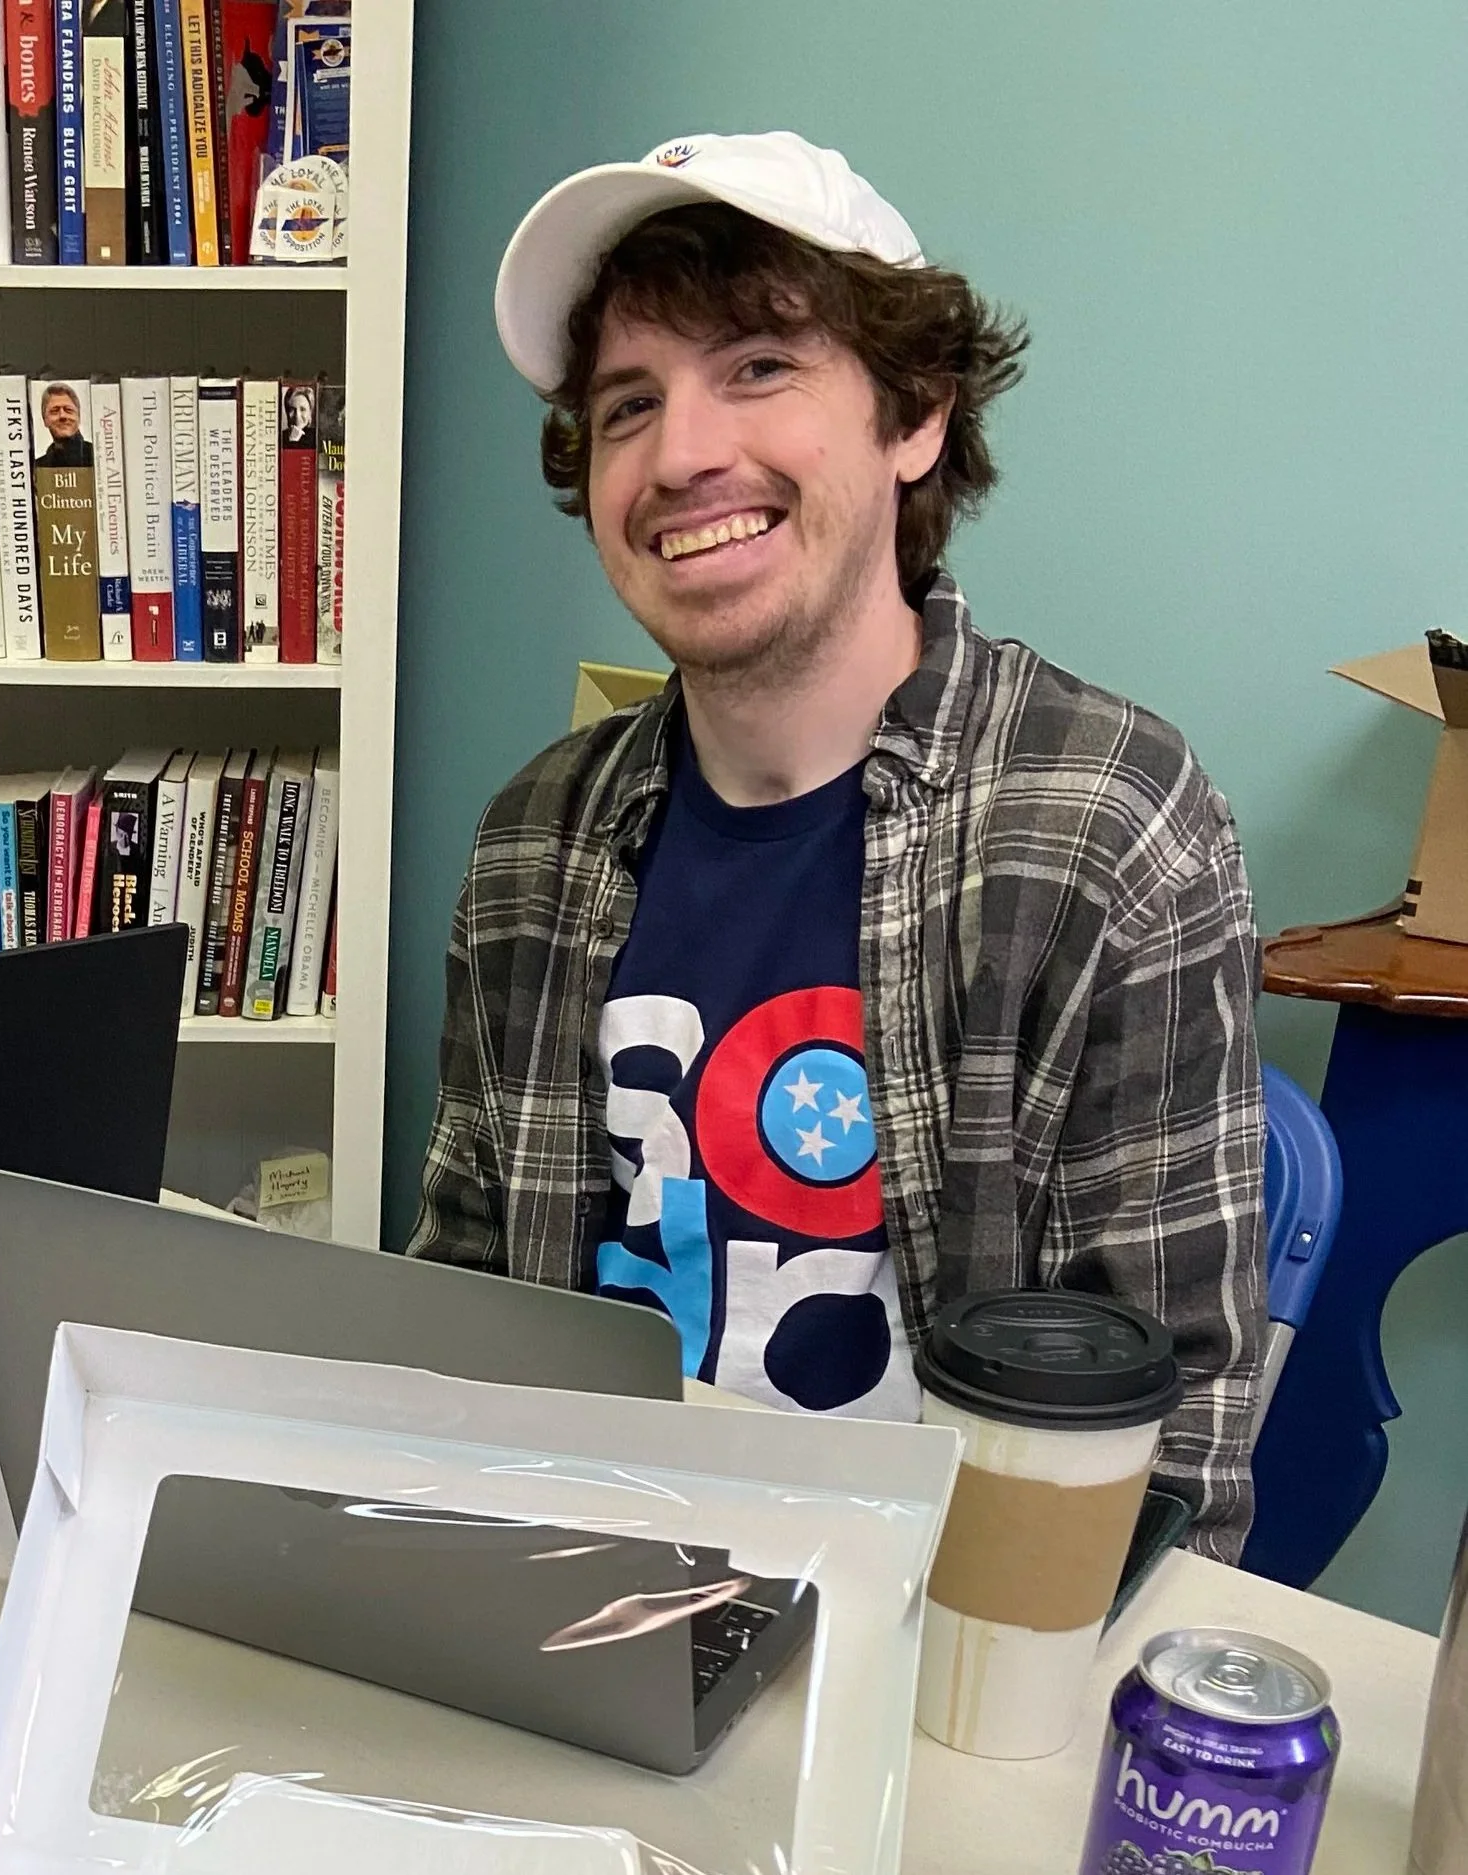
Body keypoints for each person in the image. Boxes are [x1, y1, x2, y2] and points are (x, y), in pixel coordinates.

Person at [409, 133, 1265, 1558]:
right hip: (572, 1613)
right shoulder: (531, 844)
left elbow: (1169, 1453)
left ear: (915, 411)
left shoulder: (1113, 825)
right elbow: (460, 1315)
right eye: (630, 403)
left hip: (938, 1657)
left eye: (757, 367)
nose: (682, 454)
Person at [33, 382, 93, 468]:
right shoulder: (38, 468)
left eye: (68, 410)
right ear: (45, 420)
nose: (62, 416)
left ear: (78, 417)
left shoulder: (98, 458)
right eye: (55, 411)